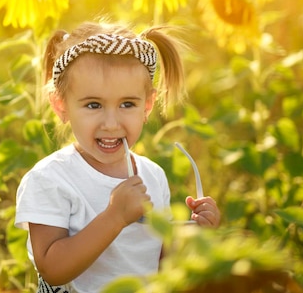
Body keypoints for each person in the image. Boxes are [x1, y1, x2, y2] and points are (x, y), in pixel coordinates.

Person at [15, 21, 221, 293]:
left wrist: (192, 235)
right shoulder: (50, 179)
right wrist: (114, 217)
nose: (111, 123)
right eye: (93, 105)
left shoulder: (152, 176)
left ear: (147, 105)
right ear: (61, 105)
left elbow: (158, 263)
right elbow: (52, 270)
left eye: (127, 104)